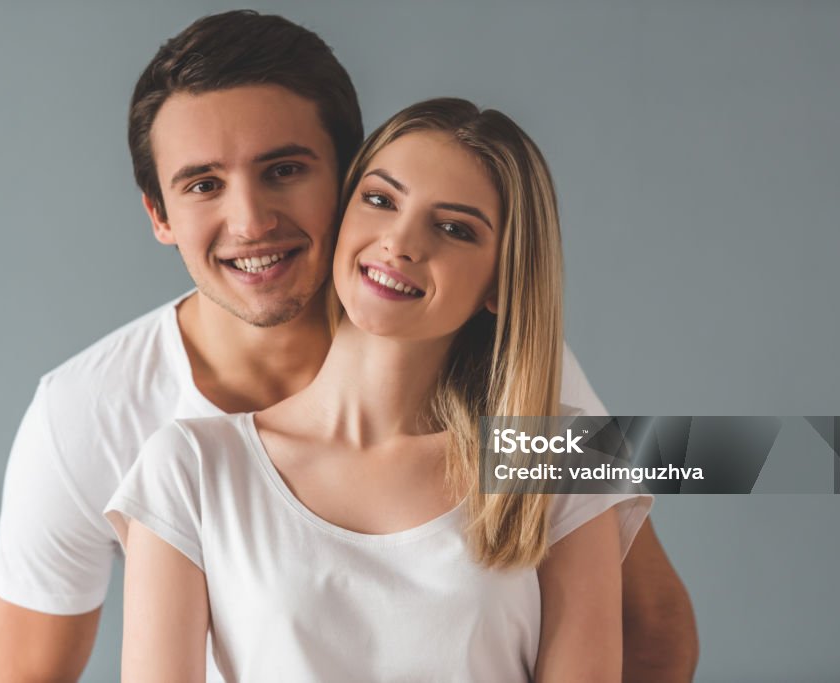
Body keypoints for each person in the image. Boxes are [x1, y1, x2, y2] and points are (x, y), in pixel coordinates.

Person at [0, 10, 697, 683]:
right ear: (159, 214)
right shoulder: (98, 417)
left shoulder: (518, 393)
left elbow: (653, 623)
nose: (251, 220)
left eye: (285, 169)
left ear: (344, 173)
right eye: (203, 184)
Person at [106, 97, 653, 682]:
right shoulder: (188, 467)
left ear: (502, 280)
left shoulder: (569, 452)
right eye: (380, 200)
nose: (400, 242)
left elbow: (661, 611)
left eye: (453, 228)